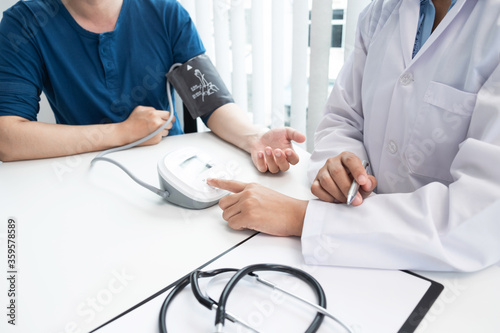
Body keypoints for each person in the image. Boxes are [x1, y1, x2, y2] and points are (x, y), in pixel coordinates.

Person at [208, 0, 500, 272]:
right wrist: (342, 169)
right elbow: (342, 117)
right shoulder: (383, 10)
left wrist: (300, 218)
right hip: (354, 247)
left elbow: (480, 217)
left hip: (450, 272)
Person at [0, 0, 305, 174]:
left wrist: (254, 138)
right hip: (81, 171)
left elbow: (210, 101)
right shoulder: (24, 23)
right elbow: (7, 138)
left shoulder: (164, 12)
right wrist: (121, 133)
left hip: (170, 167)